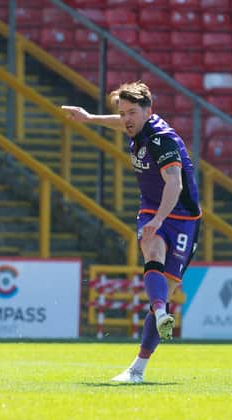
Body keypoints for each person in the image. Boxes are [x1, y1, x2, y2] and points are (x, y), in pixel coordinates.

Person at [62, 81, 201, 384]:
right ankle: (160, 315)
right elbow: (120, 122)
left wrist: (160, 220)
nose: (126, 119)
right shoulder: (136, 126)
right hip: (153, 207)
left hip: (182, 217)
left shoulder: (161, 140)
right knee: (152, 252)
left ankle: (139, 364)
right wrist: (90, 118)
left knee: (167, 283)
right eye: (122, 112)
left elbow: (174, 184)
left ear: (149, 111)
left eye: (132, 113)